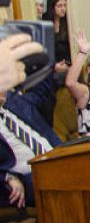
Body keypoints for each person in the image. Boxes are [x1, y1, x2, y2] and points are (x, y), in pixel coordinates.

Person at [0, 70, 59, 209]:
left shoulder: (15, 103)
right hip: (28, 178)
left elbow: (42, 93)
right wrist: (7, 177)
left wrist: (46, 62)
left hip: (56, 158)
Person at [41, 0, 71, 67]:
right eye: (59, 6)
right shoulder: (44, 21)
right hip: (51, 64)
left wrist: (67, 64)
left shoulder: (68, 21)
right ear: (52, 7)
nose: (63, 9)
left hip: (67, 62)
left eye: (64, 5)